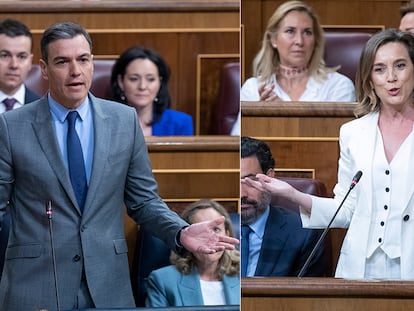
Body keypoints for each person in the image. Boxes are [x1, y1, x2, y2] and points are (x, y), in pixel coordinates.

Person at [0, 21, 238, 311]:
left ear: (92, 63)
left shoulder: (124, 121)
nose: (75, 71)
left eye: (83, 60)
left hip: (106, 286)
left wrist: (180, 231)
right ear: (45, 68)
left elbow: (144, 201)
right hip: (35, 286)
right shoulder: (11, 126)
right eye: (62, 61)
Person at [243, 28, 414, 280]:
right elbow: (345, 210)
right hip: (360, 268)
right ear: (369, 78)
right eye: (379, 69)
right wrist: (291, 194)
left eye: (400, 65)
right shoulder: (353, 133)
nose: (391, 77)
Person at [240, 136, 329, 277]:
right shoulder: (210, 230)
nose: (241, 194)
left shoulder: (302, 234)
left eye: (250, 181)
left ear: (269, 177)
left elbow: (307, 297)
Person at [240, 0, 355, 102]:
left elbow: (337, 127)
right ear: (273, 39)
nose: (299, 41)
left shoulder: (338, 86)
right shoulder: (252, 88)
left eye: (307, 32)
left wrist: (280, 113)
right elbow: (241, 127)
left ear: (315, 41)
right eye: (290, 31)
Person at [145, 199, 240, 307]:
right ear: (186, 238)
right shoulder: (162, 281)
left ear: (227, 234)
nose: (210, 238)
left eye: (216, 230)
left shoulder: (244, 276)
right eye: (201, 232)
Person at [111, 45, 193, 136]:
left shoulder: (180, 123)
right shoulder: (106, 123)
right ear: (121, 82)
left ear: (160, 83)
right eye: (134, 79)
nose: (142, 86)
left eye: (150, 79)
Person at [0, 18, 40, 112]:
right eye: (5, 55)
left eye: (21, 57)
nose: (14, 65)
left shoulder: (44, 109)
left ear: (30, 61)